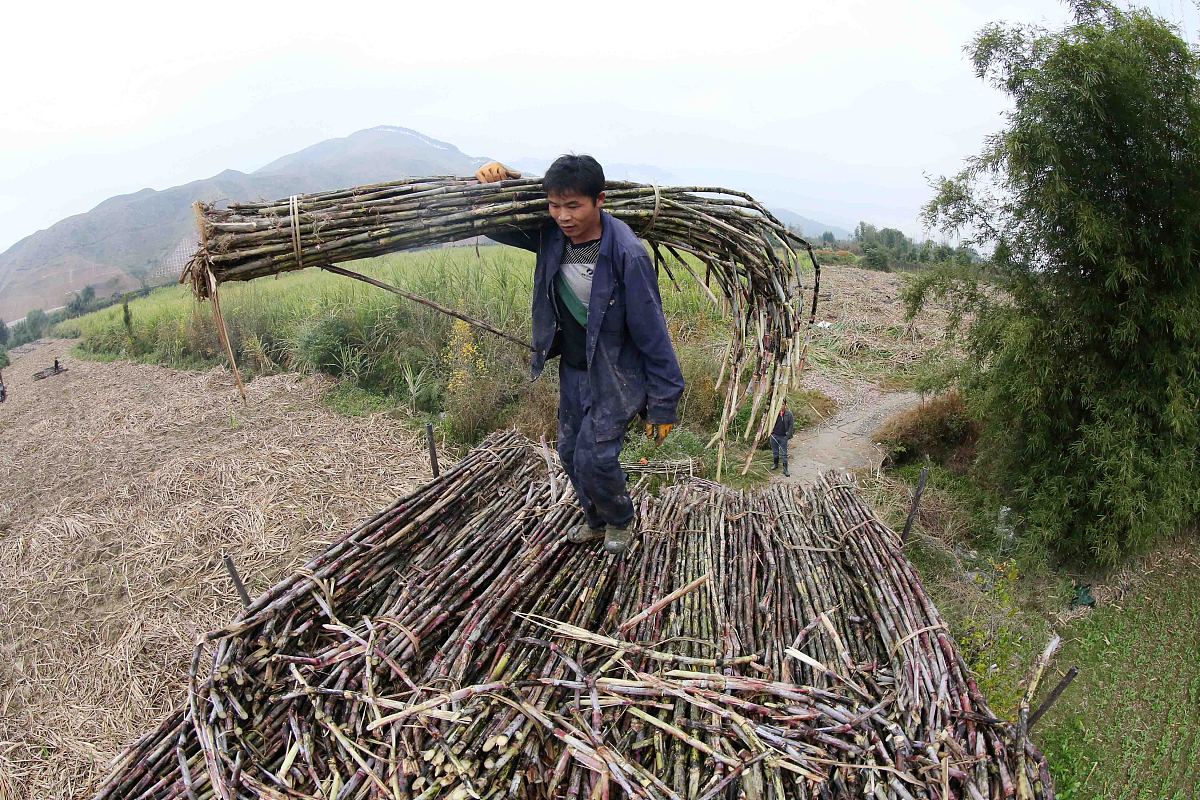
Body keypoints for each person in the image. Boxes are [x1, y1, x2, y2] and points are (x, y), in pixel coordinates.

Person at [476, 155, 684, 555]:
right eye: (554, 205)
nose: (563, 216)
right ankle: (596, 519)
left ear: (599, 200)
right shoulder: (550, 236)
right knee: (570, 453)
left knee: (596, 458)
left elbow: (654, 333)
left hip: (616, 374)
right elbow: (499, 227)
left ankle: (621, 519)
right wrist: (492, 184)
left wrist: (663, 405)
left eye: (573, 206)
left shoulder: (627, 253)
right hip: (574, 369)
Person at [770, 399, 795, 476]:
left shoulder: (789, 414)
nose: (781, 406)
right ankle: (775, 464)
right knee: (775, 452)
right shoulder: (774, 413)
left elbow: (791, 425)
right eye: (779, 404)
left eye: (782, 404)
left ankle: (785, 469)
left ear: (785, 405)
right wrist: (770, 433)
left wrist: (787, 436)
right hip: (774, 436)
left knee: (784, 453)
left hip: (783, 437)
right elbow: (768, 423)